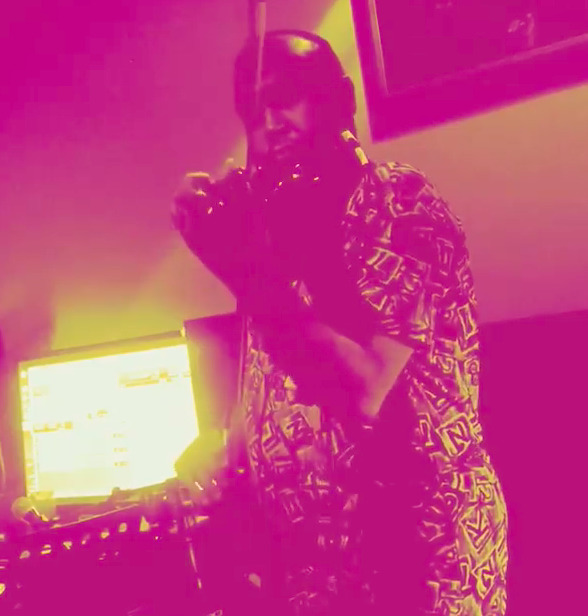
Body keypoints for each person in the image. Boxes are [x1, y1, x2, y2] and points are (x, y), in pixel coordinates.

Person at [172, 30, 508, 616]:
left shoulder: (399, 202)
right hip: (319, 566)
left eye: (287, 98)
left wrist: (248, 272)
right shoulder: (272, 224)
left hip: (417, 554)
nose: (269, 124)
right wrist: (227, 448)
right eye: (252, 109)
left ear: (340, 99)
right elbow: (271, 368)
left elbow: (364, 391)